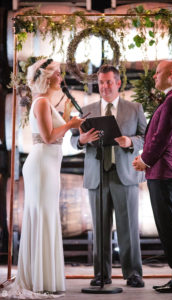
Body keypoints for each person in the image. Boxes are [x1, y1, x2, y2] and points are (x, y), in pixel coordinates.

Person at [1, 59, 83, 299]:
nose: (61, 78)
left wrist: (67, 117)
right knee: (43, 216)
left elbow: (54, 135)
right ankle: (39, 278)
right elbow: (48, 137)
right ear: (46, 77)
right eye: (58, 74)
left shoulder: (46, 102)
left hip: (48, 165)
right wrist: (70, 123)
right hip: (41, 166)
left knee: (46, 216)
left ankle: (42, 276)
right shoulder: (42, 101)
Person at [71, 65, 147, 287]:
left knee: (129, 228)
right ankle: (101, 275)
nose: (104, 86)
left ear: (118, 83)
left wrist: (131, 141)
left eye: (108, 82)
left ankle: (133, 274)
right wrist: (82, 140)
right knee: (100, 228)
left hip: (125, 175)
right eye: (101, 83)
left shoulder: (134, 108)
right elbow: (73, 140)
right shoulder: (87, 109)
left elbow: (145, 137)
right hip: (97, 175)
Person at [132, 60, 172, 293]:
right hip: (163, 171)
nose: (154, 77)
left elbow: (162, 138)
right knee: (168, 227)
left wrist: (144, 160)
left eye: (158, 73)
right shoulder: (171, 100)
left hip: (166, 171)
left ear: (170, 74)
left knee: (171, 227)